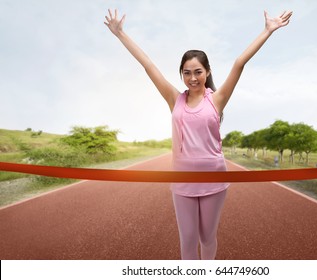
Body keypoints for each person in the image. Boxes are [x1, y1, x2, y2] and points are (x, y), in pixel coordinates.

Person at [104, 8, 292, 260]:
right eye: (186, 72)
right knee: (188, 239)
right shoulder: (174, 98)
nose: (192, 78)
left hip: (214, 179)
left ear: (208, 72)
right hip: (182, 181)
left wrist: (267, 31)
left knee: (207, 237)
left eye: (198, 72)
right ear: (181, 74)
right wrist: (120, 34)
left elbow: (239, 63)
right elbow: (148, 65)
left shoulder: (218, 100)